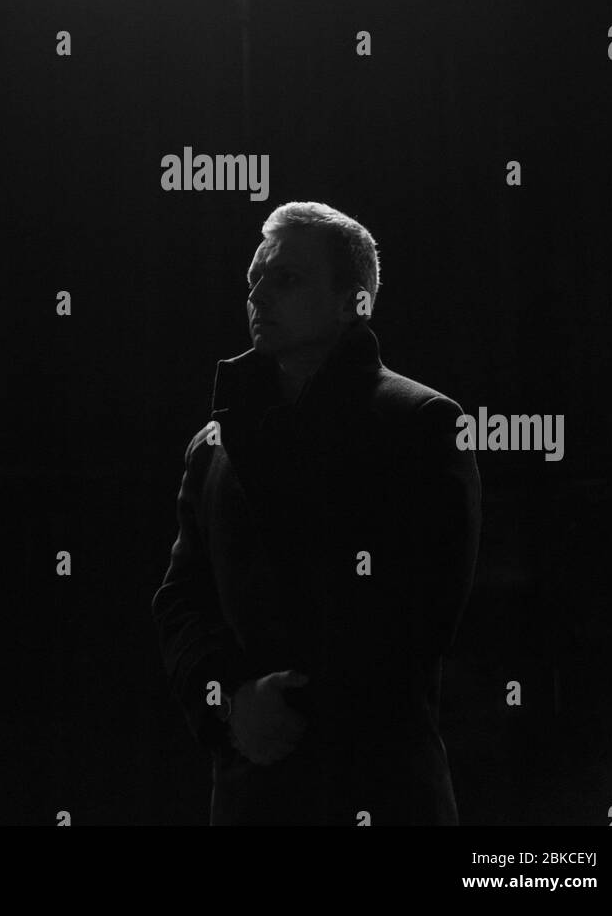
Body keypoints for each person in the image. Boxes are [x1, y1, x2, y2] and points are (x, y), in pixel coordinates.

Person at [152, 201, 481, 826]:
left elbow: (423, 610)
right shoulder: (213, 445)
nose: (259, 292)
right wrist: (231, 702)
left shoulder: (423, 423)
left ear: (351, 301)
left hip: (379, 791)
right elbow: (180, 600)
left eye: (288, 278)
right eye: (255, 277)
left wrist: (287, 706)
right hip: (252, 796)